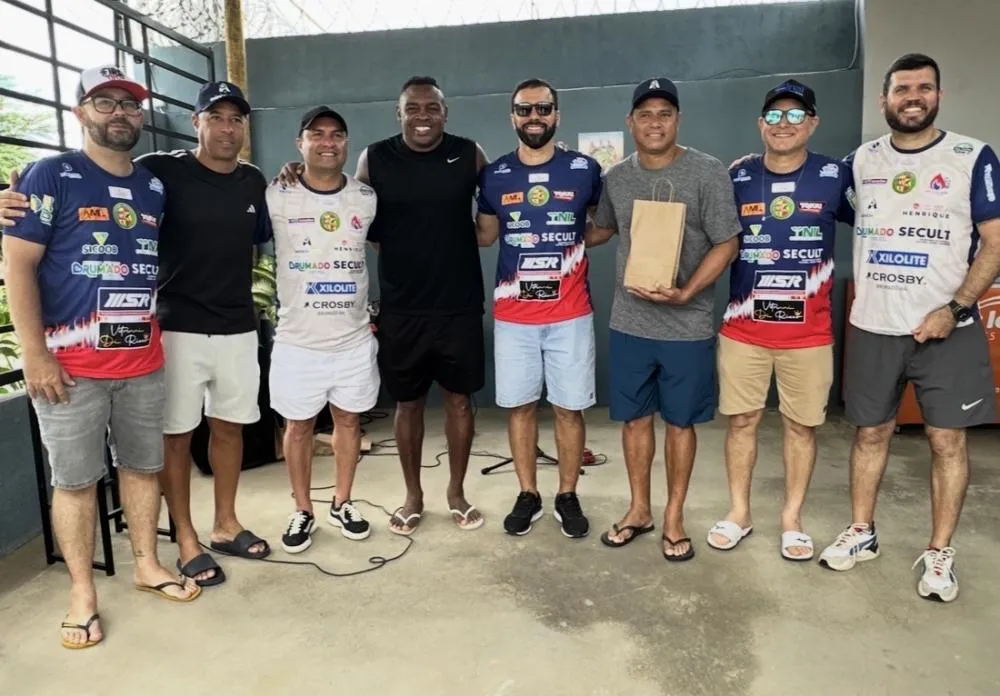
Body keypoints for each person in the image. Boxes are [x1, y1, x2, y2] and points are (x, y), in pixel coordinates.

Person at [0, 80, 274, 587]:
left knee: (225, 430)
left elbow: (269, 236)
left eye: (236, 118)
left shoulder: (249, 182)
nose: (226, 127)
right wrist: (10, 202)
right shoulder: (158, 171)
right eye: (216, 117)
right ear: (196, 122)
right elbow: (31, 243)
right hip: (171, 328)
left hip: (223, 329)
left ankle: (223, 525)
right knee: (172, 440)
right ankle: (184, 539)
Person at [2, 65, 201, 649]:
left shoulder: (153, 185)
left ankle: (145, 565)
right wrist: (34, 355)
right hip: (69, 370)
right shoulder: (50, 175)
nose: (120, 113)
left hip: (142, 362)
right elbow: (17, 266)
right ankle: (82, 592)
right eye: (105, 102)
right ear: (81, 112)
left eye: (129, 104)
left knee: (141, 469)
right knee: (75, 482)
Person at [818, 54, 1000, 602]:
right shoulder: (861, 161)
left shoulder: (972, 156)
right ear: (885, 101)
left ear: (938, 96)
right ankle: (862, 532)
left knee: (947, 441)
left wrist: (957, 307)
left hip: (947, 326)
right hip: (874, 324)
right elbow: (815, 202)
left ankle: (939, 551)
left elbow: (995, 242)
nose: (912, 97)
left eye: (924, 88)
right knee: (869, 433)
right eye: (902, 89)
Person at [278, 77, 490, 535]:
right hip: (402, 309)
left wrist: (448, 244)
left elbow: (489, 222)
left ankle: (456, 491)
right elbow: (355, 220)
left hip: (459, 306)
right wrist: (293, 170)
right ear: (399, 114)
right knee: (408, 405)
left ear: (445, 113)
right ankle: (413, 495)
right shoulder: (375, 157)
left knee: (459, 402)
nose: (422, 116)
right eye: (412, 108)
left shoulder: (470, 154)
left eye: (431, 108)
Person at [587, 77, 742, 561]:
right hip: (630, 322)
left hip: (687, 325)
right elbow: (602, 230)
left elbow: (727, 242)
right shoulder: (618, 178)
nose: (655, 123)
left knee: (679, 423)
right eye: (645, 114)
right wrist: (548, 215)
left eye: (665, 114)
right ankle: (639, 510)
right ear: (630, 123)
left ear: (678, 120)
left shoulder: (707, 172)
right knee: (634, 422)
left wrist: (687, 293)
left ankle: (673, 515)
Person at [709, 80, 856, 561]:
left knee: (800, 427)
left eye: (796, 115)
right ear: (760, 125)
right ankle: (738, 513)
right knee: (742, 423)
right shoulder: (737, 176)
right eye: (774, 116)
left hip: (808, 334)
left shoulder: (837, 176)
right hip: (743, 330)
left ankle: (792, 520)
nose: (784, 124)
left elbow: (878, 226)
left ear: (812, 123)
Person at [474, 78, 603, 538]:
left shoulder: (585, 169)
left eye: (543, 109)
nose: (534, 118)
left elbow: (598, 227)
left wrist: (640, 226)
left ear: (557, 115)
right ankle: (528, 494)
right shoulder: (494, 175)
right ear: (512, 116)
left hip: (570, 316)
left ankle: (567, 494)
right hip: (514, 319)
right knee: (521, 407)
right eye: (525, 110)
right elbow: (485, 234)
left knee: (569, 409)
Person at [266, 106, 379, 552]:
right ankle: (302, 509)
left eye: (336, 135)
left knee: (348, 422)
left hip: (352, 339)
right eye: (317, 135)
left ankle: (343, 501)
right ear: (301, 144)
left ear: (346, 144)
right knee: (298, 428)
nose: (327, 142)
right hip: (298, 341)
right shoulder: (278, 194)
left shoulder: (366, 198)